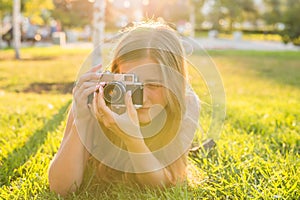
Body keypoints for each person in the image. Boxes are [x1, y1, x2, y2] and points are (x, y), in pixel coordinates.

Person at [48, 21, 200, 196]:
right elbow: (61, 189)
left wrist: (132, 139)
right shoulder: (101, 96)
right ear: (116, 74)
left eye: (154, 85)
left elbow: (166, 184)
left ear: (175, 84)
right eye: (132, 84)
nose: (141, 99)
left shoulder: (186, 103)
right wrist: (81, 120)